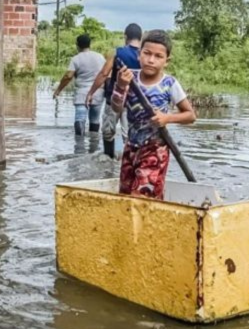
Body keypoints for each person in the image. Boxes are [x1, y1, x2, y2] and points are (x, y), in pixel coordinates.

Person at [111, 30, 196, 200]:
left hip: (155, 149)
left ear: (167, 61)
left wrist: (167, 118)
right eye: (147, 53)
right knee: (125, 195)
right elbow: (116, 108)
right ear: (139, 54)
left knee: (143, 195)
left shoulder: (169, 83)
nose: (151, 60)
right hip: (131, 147)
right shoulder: (129, 77)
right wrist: (120, 86)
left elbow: (190, 115)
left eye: (158, 56)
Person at [85, 23, 142, 158]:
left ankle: (108, 159)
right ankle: (130, 163)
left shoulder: (118, 53)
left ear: (125, 36)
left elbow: (104, 73)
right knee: (128, 134)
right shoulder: (144, 56)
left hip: (114, 98)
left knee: (108, 131)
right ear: (141, 37)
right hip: (133, 102)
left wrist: (91, 92)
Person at [53, 34, 105, 136]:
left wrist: (58, 90)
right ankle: (93, 145)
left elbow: (68, 76)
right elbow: (105, 74)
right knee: (95, 120)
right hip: (98, 92)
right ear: (90, 44)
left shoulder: (76, 59)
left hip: (82, 93)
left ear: (77, 45)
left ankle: (79, 146)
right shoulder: (100, 57)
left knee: (80, 118)